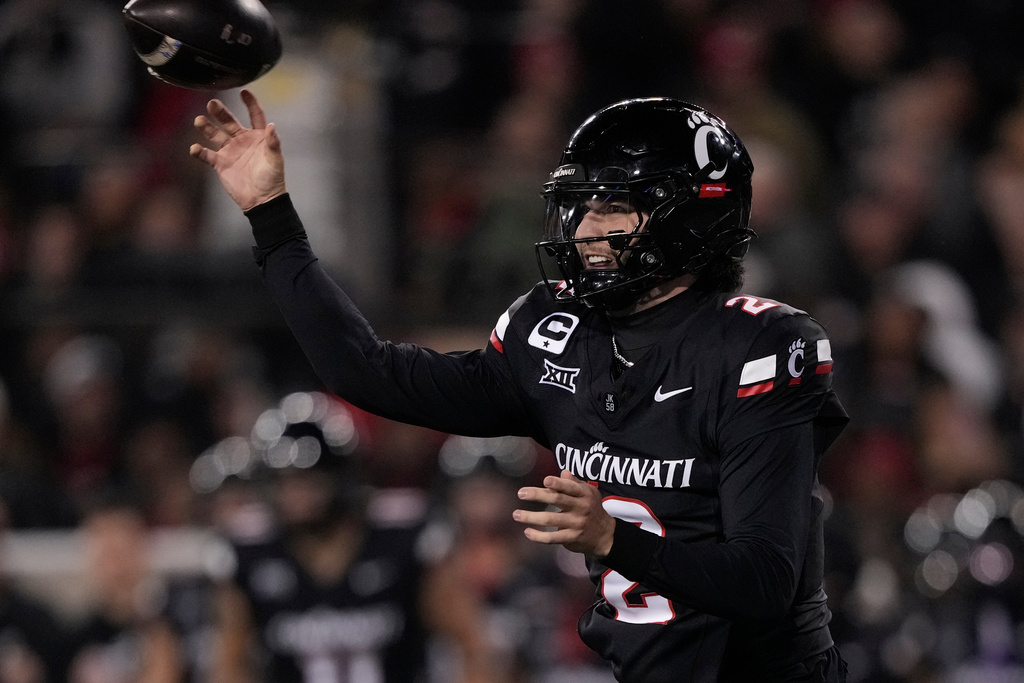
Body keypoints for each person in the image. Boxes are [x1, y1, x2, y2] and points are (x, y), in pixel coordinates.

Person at [190, 91, 850, 682]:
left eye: (615, 205)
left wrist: (613, 540)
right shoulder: (557, 335)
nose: (587, 228)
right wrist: (270, 215)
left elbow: (764, 580)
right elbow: (364, 370)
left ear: (691, 217)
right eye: (583, 205)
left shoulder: (760, 348)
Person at [206, 391, 498, 683]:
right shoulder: (251, 550)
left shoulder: (403, 538)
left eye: (308, 478)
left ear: (341, 475)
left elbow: (470, 643)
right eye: (284, 481)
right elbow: (229, 664)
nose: (295, 494)